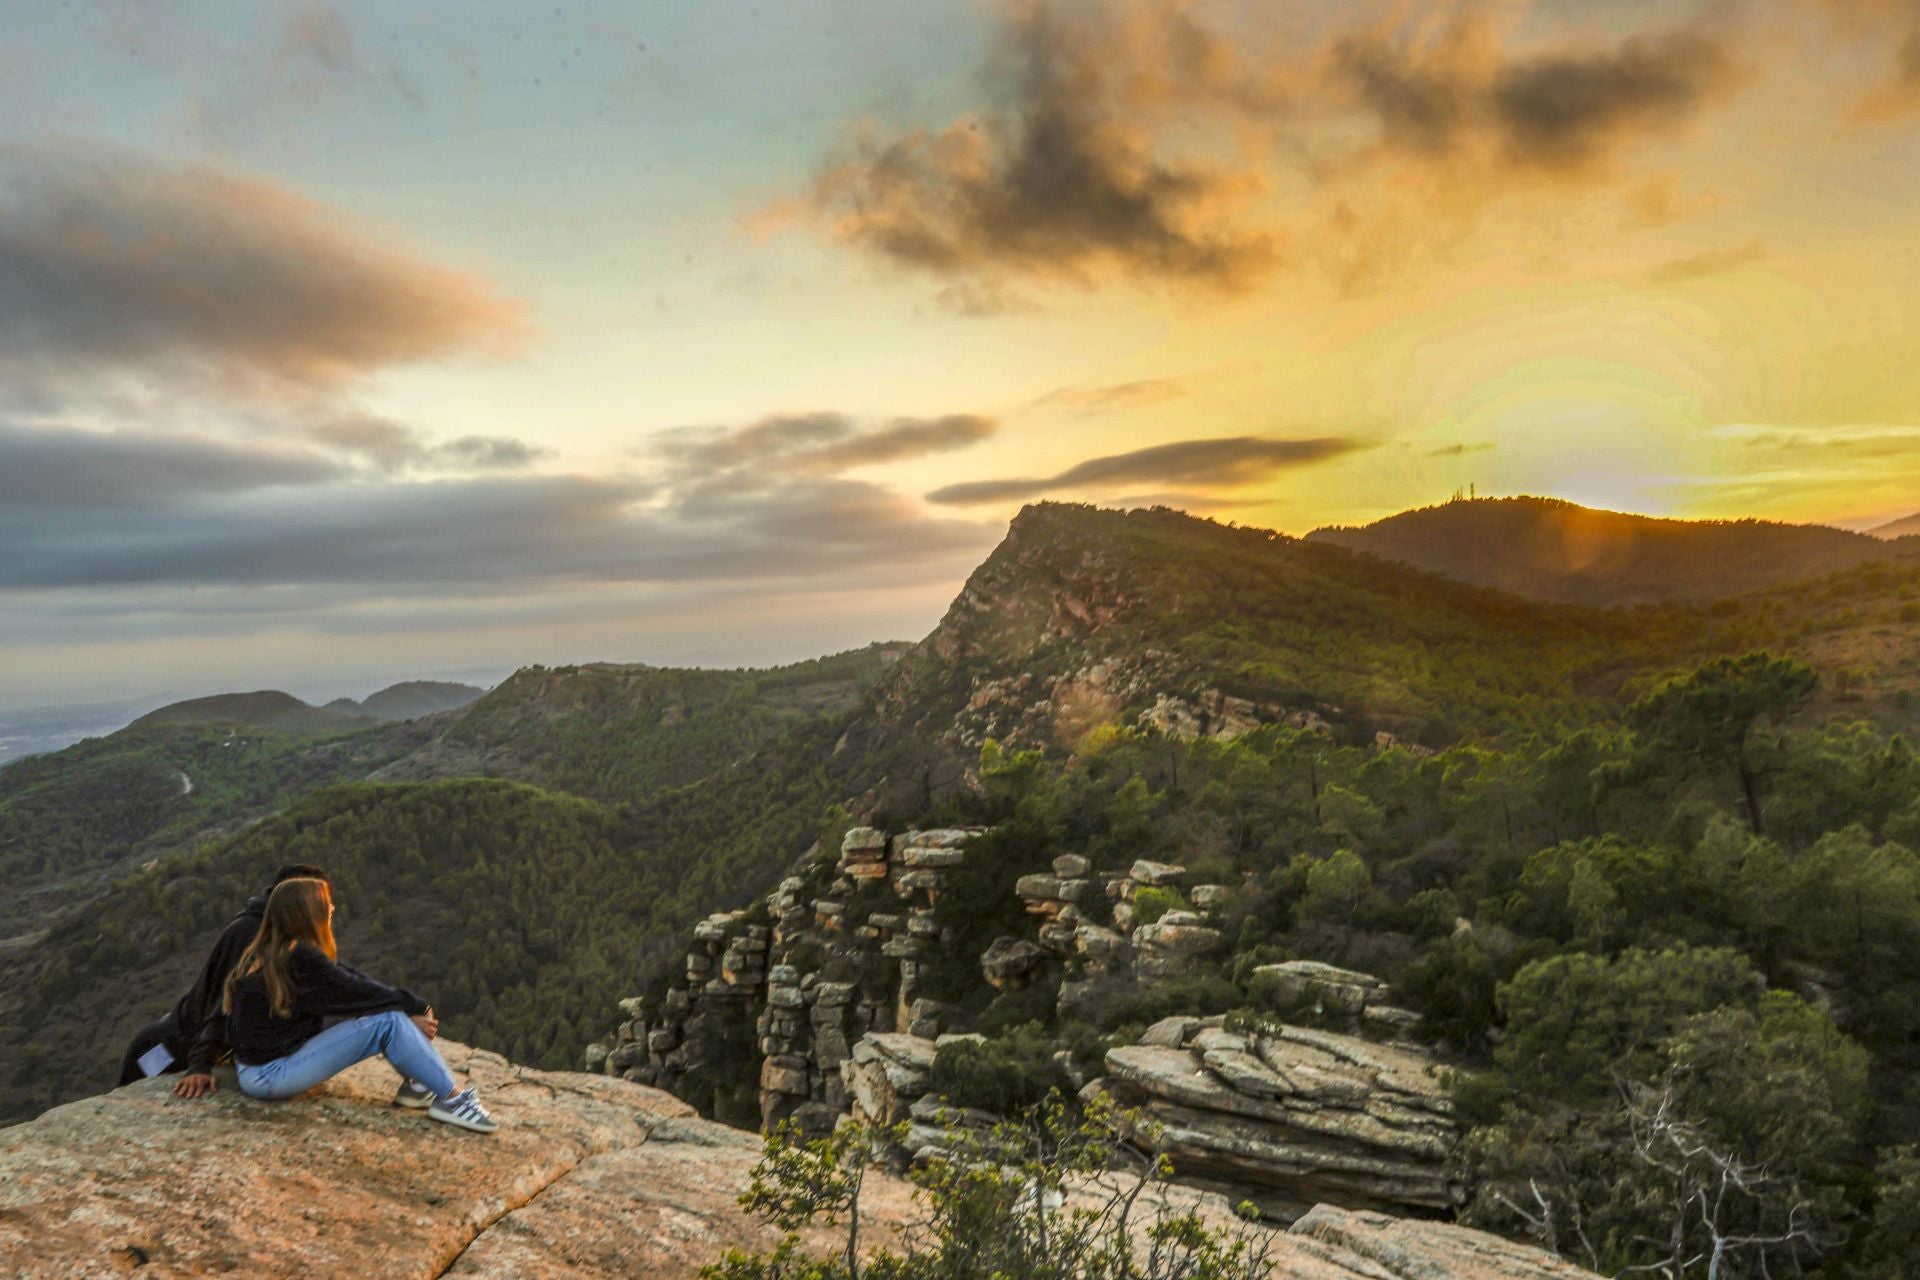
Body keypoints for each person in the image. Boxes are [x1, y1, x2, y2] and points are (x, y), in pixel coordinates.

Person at [116, 863, 414, 1103]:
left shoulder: (284, 936)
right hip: (168, 1047)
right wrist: (200, 1065)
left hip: (182, 1038)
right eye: (320, 898)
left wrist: (400, 1003)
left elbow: (341, 979)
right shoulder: (253, 935)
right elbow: (221, 1004)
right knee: (130, 1101)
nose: (329, 907)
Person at [221, 876, 497, 1133]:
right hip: (269, 1075)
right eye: (325, 902)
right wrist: (415, 1006)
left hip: (256, 1068)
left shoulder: (271, 950)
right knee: (388, 1022)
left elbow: (350, 979)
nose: (332, 907)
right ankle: (452, 1100)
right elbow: (355, 990)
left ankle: (418, 1085)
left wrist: (408, 1005)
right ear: (306, 913)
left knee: (384, 1011)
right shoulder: (300, 957)